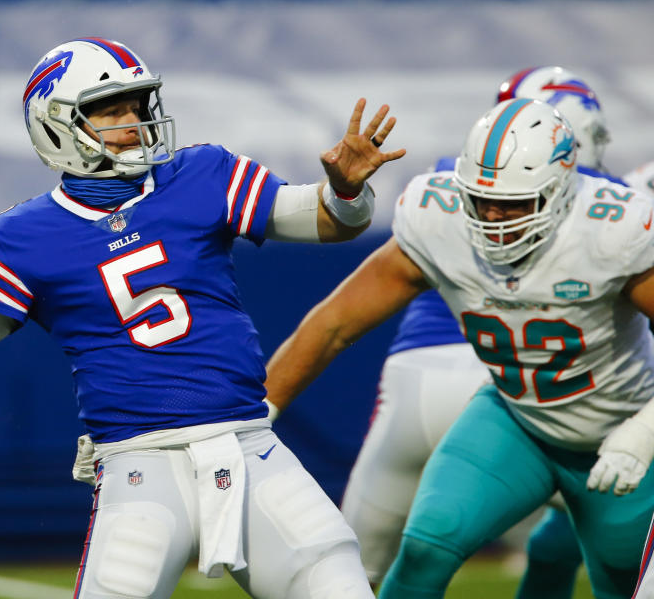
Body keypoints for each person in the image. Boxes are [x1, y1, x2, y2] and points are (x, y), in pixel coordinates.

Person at [0, 37, 406, 598]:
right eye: (109, 109)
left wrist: (346, 192)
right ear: (57, 125)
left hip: (247, 445)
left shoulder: (201, 174)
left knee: (336, 579)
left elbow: (329, 220)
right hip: (140, 465)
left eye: (135, 104)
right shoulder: (25, 237)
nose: (132, 120)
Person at [264, 97, 654, 598]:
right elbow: (334, 324)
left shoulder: (610, 228)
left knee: (622, 582)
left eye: (513, 204)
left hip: (621, 434)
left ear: (560, 190)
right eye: (480, 200)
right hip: (517, 421)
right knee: (428, 543)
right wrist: (255, 415)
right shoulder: (439, 216)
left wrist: (643, 433)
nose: (493, 218)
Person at [337, 65, 616, 596]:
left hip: (419, 380)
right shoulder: (612, 204)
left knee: (355, 572)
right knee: (586, 542)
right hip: (536, 391)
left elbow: (336, 319)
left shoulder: (448, 180)